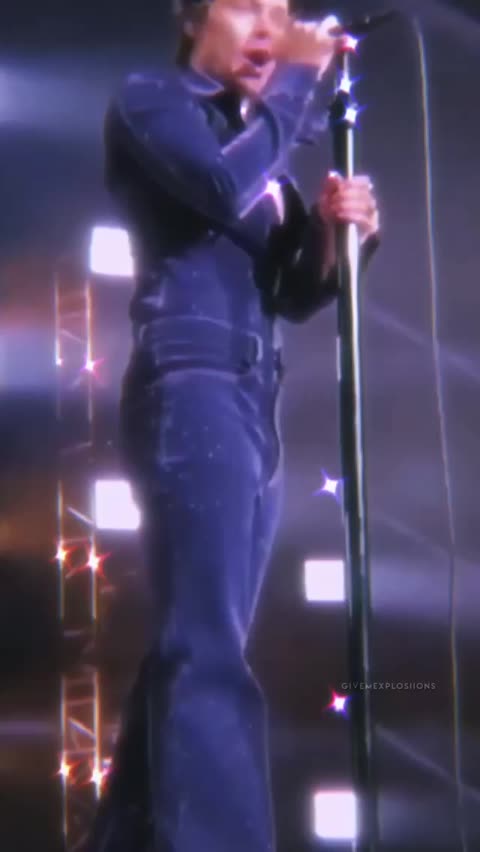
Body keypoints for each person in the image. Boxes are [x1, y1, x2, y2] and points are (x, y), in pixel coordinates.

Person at [86, 1, 380, 851]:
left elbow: (289, 291)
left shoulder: (257, 143)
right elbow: (217, 186)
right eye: (247, 5)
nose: (269, 29)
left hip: (255, 400)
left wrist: (334, 237)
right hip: (192, 382)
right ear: (191, 15)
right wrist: (299, 80)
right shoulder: (154, 102)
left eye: (282, 13)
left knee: (195, 639)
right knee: (207, 647)